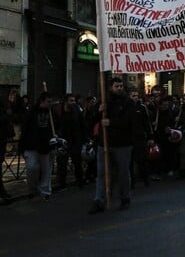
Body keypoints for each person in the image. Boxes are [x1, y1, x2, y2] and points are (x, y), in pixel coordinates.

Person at [89, 77, 136, 214]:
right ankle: (99, 200)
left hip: (122, 144)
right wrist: (99, 111)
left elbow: (129, 121)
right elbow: (91, 120)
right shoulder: (104, 102)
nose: (120, 88)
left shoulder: (128, 103)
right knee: (102, 173)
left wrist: (111, 122)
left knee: (122, 172)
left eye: (121, 86)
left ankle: (125, 198)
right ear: (110, 87)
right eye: (117, 86)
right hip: (104, 143)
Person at [20, 93, 56, 200]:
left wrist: (55, 136)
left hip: (46, 145)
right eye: (48, 102)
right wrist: (22, 146)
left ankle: (45, 191)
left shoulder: (51, 113)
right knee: (31, 167)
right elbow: (25, 129)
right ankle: (33, 189)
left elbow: (56, 126)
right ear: (41, 101)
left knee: (46, 170)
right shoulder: (31, 113)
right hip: (32, 145)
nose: (50, 104)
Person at [56, 93, 86, 190]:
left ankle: (80, 181)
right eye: (71, 101)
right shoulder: (59, 112)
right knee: (62, 162)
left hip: (75, 140)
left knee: (77, 162)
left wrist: (84, 138)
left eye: (74, 100)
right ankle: (62, 183)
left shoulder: (76, 110)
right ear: (66, 102)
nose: (73, 103)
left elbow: (82, 123)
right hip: (63, 140)